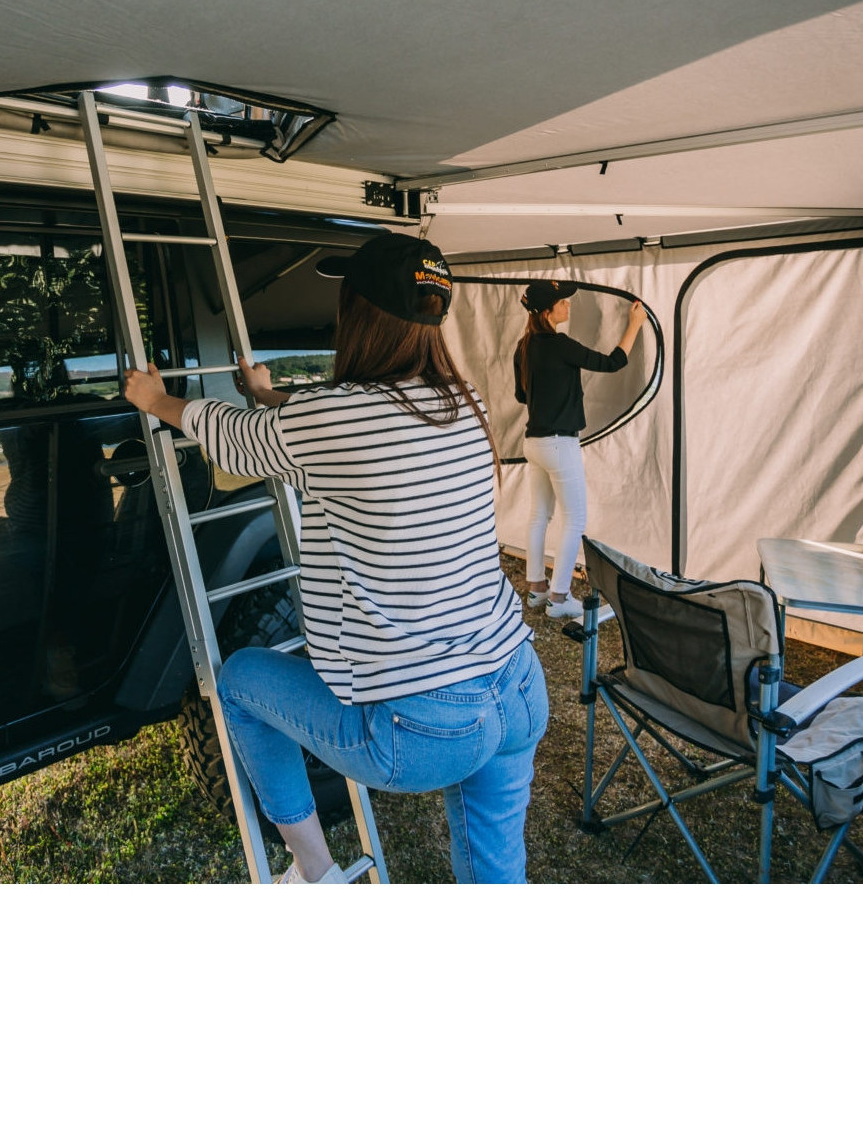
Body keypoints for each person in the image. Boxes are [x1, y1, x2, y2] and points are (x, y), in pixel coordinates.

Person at [122, 232, 548, 884]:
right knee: (495, 878)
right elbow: (348, 425)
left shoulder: (333, 418)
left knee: (238, 682)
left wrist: (156, 401)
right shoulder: (465, 405)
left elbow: (235, 443)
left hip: (423, 726)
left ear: (358, 313)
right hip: (516, 686)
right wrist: (272, 400)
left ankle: (313, 871)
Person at [513, 280, 645, 620]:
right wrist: (634, 325)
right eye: (562, 302)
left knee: (539, 516)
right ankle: (559, 599)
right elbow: (612, 362)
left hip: (534, 443)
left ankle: (537, 590)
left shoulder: (523, 347)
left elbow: (522, 397)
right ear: (546, 311)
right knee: (575, 520)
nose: (568, 306)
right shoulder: (559, 345)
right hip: (559, 444)